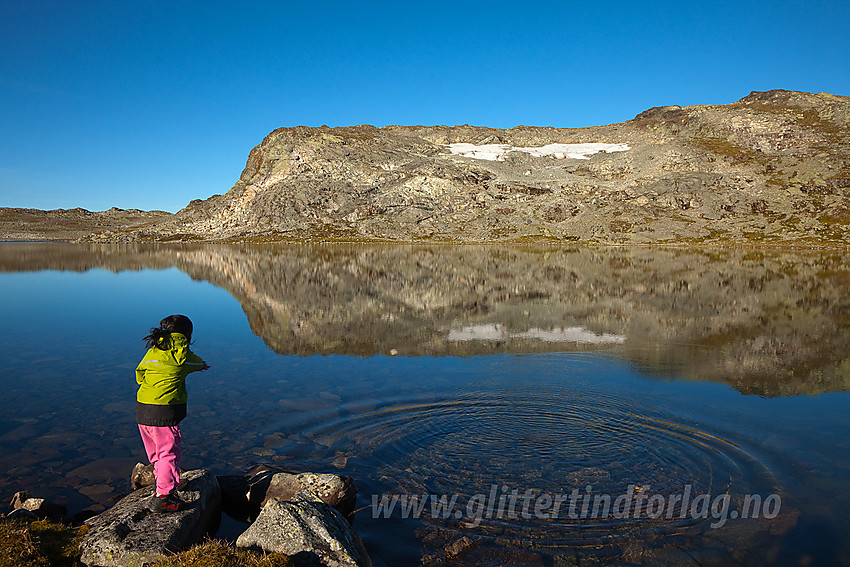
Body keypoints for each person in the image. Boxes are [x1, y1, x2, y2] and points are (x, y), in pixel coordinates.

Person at [135, 314, 209, 513]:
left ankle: (165, 481)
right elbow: (198, 364)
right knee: (169, 452)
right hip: (163, 412)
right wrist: (203, 366)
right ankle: (163, 497)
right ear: (188, 335)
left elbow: (139, 373)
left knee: (156, 452)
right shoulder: (181, 355)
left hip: (143, 408)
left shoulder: (153, 351)